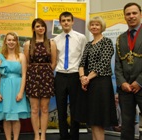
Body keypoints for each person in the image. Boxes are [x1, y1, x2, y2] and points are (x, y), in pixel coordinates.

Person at [78, 16, 117, 140]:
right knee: (92, 118)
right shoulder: (88, 44)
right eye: (92, 24)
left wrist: (87, 78)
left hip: (101, 83)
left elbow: (103, 63)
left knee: (99, 119)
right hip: (88, 84)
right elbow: (82, 63)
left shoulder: (107, 42)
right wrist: (82, 77)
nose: (94, 27)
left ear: (102, 27)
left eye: (97, 25)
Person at [53, 11, 87, 140]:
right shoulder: (55, 40)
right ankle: (63, 136)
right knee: (61, 109)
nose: (66, 22)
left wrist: (83, 76)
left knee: (75, 108)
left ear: (73, 22)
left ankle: (74, 136)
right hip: (60, 76)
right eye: (63, 20)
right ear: (60, 23)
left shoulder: (81, 38)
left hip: (75, 76)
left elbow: (84, 59)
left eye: (68, 20)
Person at [0, 32, 30, 140]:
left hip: (17, 88)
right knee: (7, 117)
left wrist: (21, 92)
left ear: (17, 42)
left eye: (13, 40)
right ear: (5, 41)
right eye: (9, 40)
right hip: (4, 88)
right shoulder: (0, 56)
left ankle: (16, 138)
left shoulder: (21, 56)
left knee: (15, 117)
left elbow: (24, 75)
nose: (11, 42)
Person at [24, 18, 57, 140]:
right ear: (33, 28)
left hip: (46, 78)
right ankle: (36, 134)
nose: (40, 28)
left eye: (42, 26)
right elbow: (26, 63)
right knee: (34, 109)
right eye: (38, 26)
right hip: (32, 78)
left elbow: (53, 63)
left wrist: (45, 72)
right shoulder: (28, 44)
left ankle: (43, 134)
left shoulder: (51, 43)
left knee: (44, 108)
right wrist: (35, 72)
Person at [115, 2, 142, 140]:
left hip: (141, 86)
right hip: (125, 89)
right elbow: (117, 64)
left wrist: (139, 82)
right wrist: (122, 83)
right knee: (126, 124)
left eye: (134, 13)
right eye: (128, 14)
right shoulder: (120, 39)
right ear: (124, 17)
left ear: (140, 14)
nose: (131, 16)